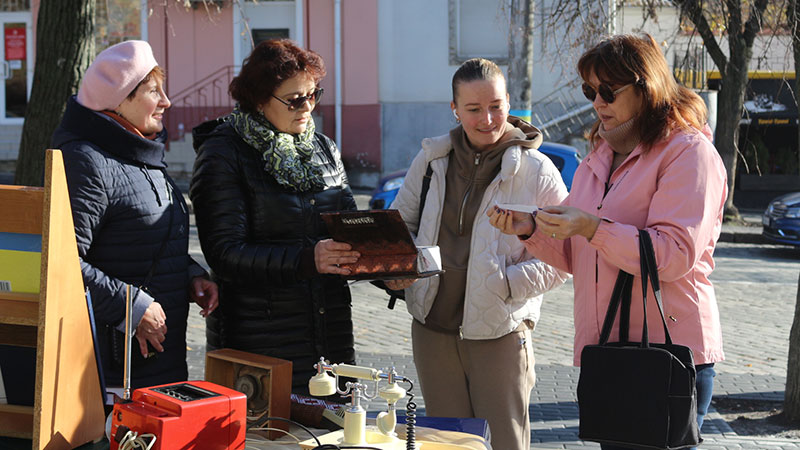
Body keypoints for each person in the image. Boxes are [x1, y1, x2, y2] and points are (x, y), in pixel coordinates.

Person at [488, 33, 726, 449]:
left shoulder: (689, 154)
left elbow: (671, 256)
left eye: (607, 91)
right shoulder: (599, 156)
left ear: (645, 87)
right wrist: (530, 229)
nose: (597, 102)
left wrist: (593, 227)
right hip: (609, 354)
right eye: (589, 91)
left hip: (665, 356)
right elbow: (578, 254)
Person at [386, 58, 570, 450]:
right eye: (473, 109)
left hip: (499, 334)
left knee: (504, 443)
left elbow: (565, 252)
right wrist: (397, 269)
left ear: (508, 102)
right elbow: (397, 227)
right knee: (447, 445)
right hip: (433, 329)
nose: (487, 118)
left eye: (496, 106)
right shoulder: (431, 161)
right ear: (454, 109)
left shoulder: (537, 170)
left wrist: (508, 285)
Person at [189, 39, 360, 393]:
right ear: (259, 100)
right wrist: (307, 258)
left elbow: (351, 233)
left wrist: (389, 269)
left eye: (314, 95)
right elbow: (225, 253)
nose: (307, 107)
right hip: (259, 344)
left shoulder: (324, 148)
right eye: (295, 99)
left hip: (331, 341)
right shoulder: (224, 153)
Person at [53, 40, 219, 390]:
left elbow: (140, 239)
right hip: (107, 369)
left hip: (159, 361)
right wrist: (130, 306)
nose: (166, 102)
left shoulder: (141, 150)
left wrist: (189, 275)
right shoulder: (84, 160)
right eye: (153, 91)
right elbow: (60, 261)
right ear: (120, 100)